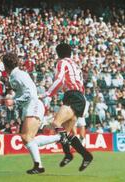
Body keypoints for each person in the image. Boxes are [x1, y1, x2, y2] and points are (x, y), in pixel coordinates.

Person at [2, 53, 62, 174]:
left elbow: (30, 93)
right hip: (31, 106)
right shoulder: (17, 74)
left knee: (26, 137)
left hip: (33, 105)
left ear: (5, 65)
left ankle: (39, 164)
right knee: (28, 139)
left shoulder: (17, 75)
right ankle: (60, 139)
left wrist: (14, 101)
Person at [40, 43, 93, 171]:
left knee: (56, 123)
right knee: (66, 132)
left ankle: (69, 154)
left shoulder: (61, 62)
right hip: (79, 96)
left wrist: (48, 94)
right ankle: (83, 155)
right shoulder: (75, 64)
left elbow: (59, 80)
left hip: (73, 95)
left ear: (58, 54)